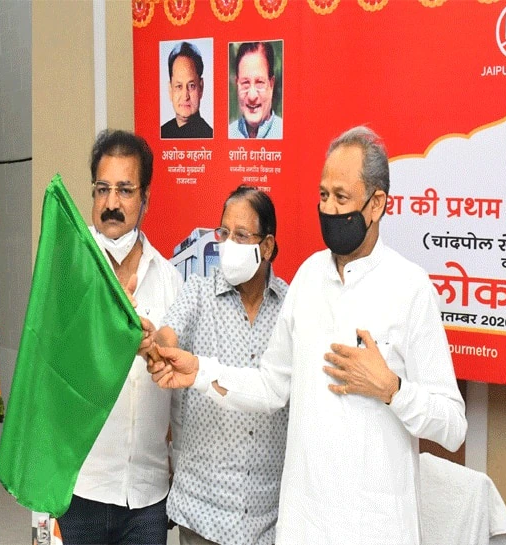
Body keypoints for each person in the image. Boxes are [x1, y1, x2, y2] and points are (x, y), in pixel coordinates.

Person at [149, 126, 467, 544]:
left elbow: (453, 427)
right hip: (303, 527)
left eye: (341, 197)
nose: (329, 209)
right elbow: (269, 387)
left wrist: (392, 388)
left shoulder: (411, 289)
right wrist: (200, 372)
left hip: (376, 529)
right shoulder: (308, 278)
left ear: (376, 205)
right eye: (323, 195)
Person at [57, 129, 182, 545]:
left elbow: (180, 383)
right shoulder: (69, 275)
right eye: (102, 189)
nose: (111, 203)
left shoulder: (170, 281)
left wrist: (156, 352)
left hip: (147, 497)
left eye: (125, 190)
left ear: (145, 198)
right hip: (81, 488)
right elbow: (51, 371)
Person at [154, 185, 288, 544]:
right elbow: (169, 332)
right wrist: (156, 344)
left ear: (268, 246)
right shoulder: (198, 292)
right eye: (224, 233)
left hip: (267, 515)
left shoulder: (290, 308)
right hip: (203, 510)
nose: (228, 244)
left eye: (241, 235)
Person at [228, 42, 282, 139]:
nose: (252, 96)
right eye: (245, 83)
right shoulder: (228, 134)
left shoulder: (287, 134)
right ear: (237, 84)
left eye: (259, 82)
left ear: (271, 84)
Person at [161, 42, 213, 139]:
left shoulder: (209, 135)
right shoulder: (162, 132)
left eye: (191, 86)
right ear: (170, 90)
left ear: (201, 87)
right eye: (179, 86)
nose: (185, 96)